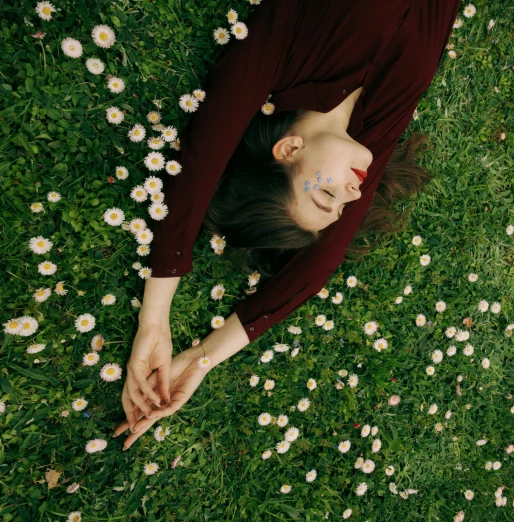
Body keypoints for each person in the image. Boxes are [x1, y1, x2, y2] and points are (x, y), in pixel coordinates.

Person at [113, 0, 463, 447]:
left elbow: (200, 163)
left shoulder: (282, 52)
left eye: (325, 195)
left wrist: (154, 321)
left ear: (289, 150)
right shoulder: (374, 128)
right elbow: (320, 265)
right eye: (339, 207)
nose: (354, 195)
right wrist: (203, 357)